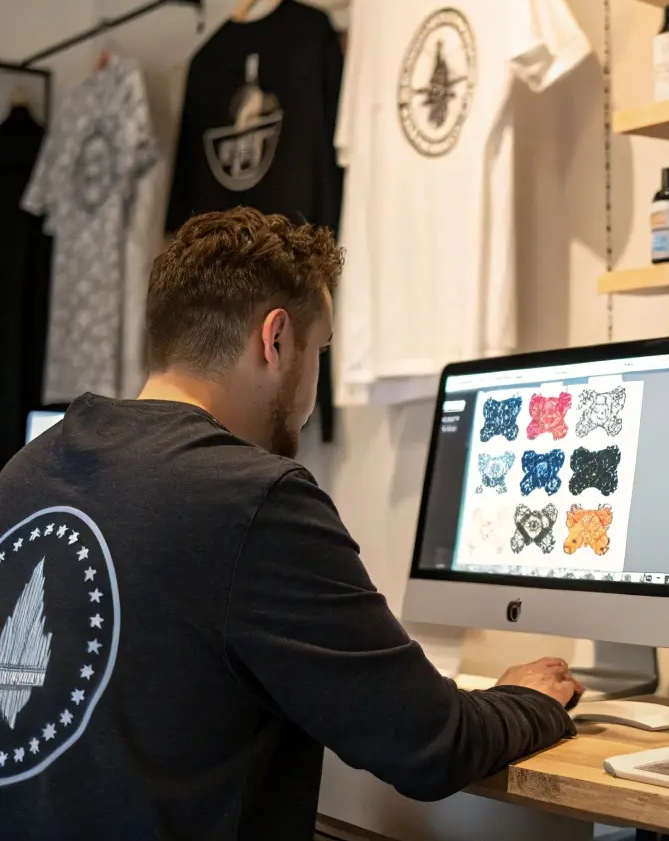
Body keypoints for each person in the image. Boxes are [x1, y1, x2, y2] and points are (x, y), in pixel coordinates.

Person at [0, 207, 582, 840]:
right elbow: (432, 744)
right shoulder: (253, 498)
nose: (310, 393)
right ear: (276, 340)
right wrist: (529, 699)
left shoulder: (24, 472)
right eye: (321, 351)